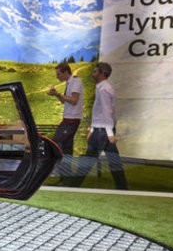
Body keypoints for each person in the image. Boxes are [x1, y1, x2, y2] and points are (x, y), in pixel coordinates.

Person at [71, 62, 128, 190]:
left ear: (103, 74)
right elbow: (100, 112)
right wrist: (93, 129)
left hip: (102, 131)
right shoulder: (103, 88)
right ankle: (122, 187)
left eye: (95, 71)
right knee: (113, 161)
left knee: (88, 159)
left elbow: (107, 112)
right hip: (102, 129)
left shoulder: (103, 89)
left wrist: (109, 133)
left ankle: (72, 185)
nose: (92, 74)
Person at [46, 63, 82, 176]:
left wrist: (58, 93)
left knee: (56, 143)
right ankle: (66, 175)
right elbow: (64, 101)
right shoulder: (69, 83)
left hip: (72, 120)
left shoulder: (76, 82)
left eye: (59, 74)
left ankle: (54, 171)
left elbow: (74, 100)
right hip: (68, 119)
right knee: (67, 149)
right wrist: (56, 95)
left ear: (66, 72)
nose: (57, 77)